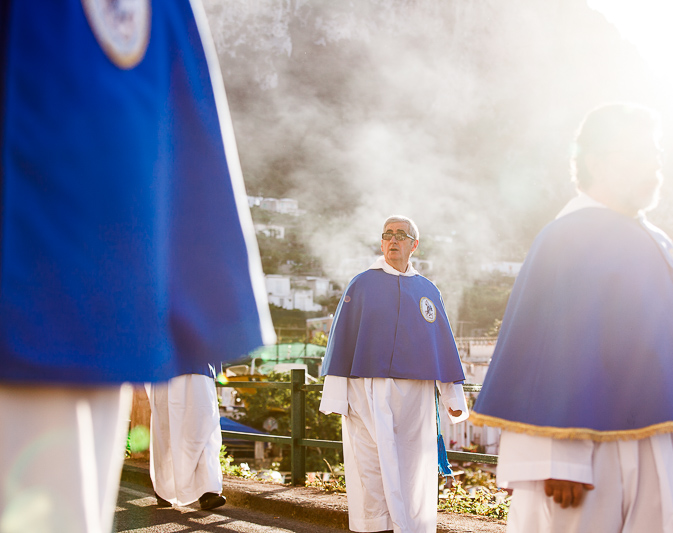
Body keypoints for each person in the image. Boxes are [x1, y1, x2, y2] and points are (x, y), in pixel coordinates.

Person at [0, 2, 274, 532]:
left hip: (98, 286)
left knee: (66, 505)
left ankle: (197, 487)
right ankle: (176, 488)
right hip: (55, 276)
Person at [470, 103, 673, 533]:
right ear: (597, 161)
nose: (656, 164)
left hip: (666, 450)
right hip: (590, 462)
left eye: (657, 152)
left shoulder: (654, 239)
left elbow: (661, 341)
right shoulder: (567, 238)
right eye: (642, 153)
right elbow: (545, 354)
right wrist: (558, 458)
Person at [319, 215, 469, 533]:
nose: (393, 240)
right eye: (387, 234)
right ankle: (375, 527)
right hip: (366, 393)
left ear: (414, 244)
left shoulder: (427, 290)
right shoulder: (361, 284)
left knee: (413, 466)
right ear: (381, 242)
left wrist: (453, 396)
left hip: (415, 399)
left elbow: (441, 345)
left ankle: (411, 527)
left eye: (401, 234)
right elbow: (342, 339)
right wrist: (334, 395)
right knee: (369, 465)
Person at [148, 370, 227, 511]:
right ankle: (165, 489)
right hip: (165, 366)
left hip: (200, 365)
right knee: (166, 430)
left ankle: (208, 492)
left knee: (205, 426)